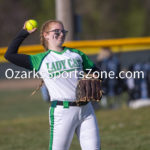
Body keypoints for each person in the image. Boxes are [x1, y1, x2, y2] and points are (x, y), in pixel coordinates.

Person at [5, 20, 101, 150]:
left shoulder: (76, 54)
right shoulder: (40, 60)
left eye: (63, 31)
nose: (61, 34)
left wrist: (94, 77)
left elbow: (97, 73)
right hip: (63, 111)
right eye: (56, 31)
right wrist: (24, 33)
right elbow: (9, 55)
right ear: (46, 35)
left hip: (86, 110)